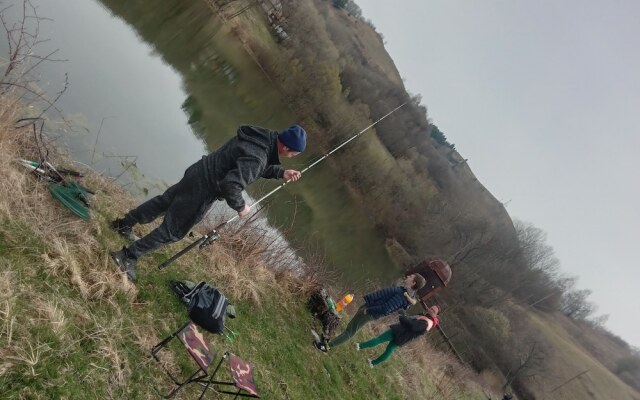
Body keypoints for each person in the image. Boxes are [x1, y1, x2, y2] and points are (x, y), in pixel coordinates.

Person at [109, 124, 307, 281]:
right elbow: (232, 184)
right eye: (295, 153)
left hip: (198, 170)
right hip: (204, 188)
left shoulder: (260, 138)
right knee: (174, 230)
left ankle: (123, 223)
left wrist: (281, 172)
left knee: (164, 202)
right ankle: (127, 256)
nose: (293, 156)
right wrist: (240, 206)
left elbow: (251, 164)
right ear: (287, 147)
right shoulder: (260, 157)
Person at [314, 273, 427, 352]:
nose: (408, 276)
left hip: (370, 312)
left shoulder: (402, 296)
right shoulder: (403, 292)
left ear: (413, 282)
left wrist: (368, 310)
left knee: (350, 331)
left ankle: (327, 347)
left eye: (411, 276)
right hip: (368, 307)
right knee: (351, 327)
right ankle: (329, 341)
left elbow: (386, 308)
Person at [357, 305, 440, 367]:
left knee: (379, 340)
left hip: (399, 332)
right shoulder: (426, 318)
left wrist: (402, 316)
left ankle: (359, 346)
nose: (431, 310)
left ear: (436, 315)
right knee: (389, 350)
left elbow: (412, 326)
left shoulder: (426, 323)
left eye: (433, 311)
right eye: (431, 308)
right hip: (403, 338)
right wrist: (405, 316)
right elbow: (412, 321)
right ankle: (373, 363)